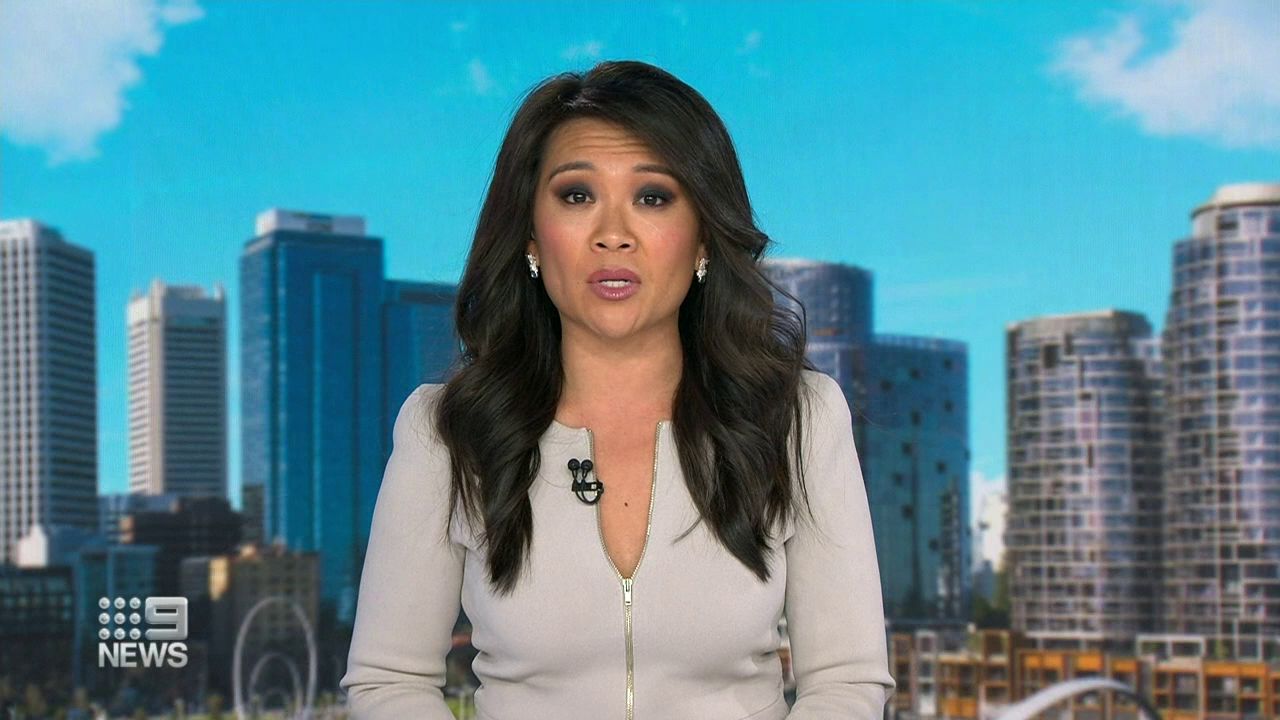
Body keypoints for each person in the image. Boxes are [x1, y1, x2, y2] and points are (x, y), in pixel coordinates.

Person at [339, 59, 895, 719]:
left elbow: (846, 682)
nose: (613, 235)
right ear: (530, 236)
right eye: (577, 196)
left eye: (652, 197)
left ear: (703, 238)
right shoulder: (445, 431)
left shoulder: (800, 419)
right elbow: (390, 681)